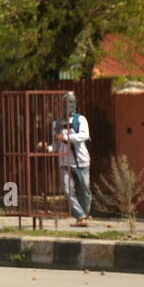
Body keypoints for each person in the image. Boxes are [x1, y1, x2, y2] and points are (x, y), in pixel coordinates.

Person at [53, 91, 91, 226]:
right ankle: (80, 216)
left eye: (70, 102)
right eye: (65, 102)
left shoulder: (80, 120)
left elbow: (84, 135)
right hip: (65, 162)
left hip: (81, 161)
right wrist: (47, 148)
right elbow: (56, 145)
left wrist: (67, 138)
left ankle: (85, 214)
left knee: (85, 190)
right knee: (67, 190)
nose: (67, 105)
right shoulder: (57, 123)